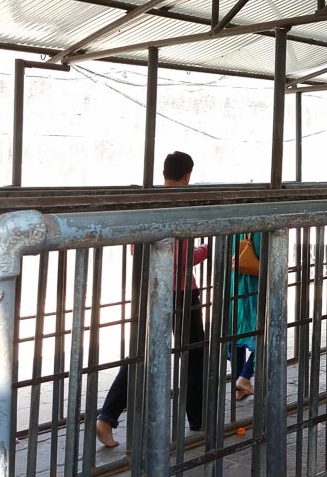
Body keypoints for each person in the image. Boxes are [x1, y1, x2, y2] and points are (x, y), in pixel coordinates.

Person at [96, 152, 208, 447]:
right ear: (187, 175)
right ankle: (198, 419)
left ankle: (106, 418)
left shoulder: (149, 200)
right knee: (195, 352)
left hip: (148, 291)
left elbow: (139, 251)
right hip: (180, 293)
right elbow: (181, 259)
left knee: (141, 356)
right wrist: (207, 250)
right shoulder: (180, 206)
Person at [230, 231, 260, 400]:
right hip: (252, 286)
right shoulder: (259, 227)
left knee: (237, 333)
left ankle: (238, 387)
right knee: (265, 333)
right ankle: (245, 377)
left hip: (235, 284)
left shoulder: (233, 225)